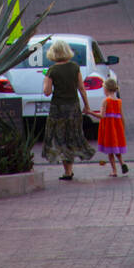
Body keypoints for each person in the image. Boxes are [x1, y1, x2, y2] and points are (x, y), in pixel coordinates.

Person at [42, 38, 97, 180]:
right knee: (72, 136)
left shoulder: (52, 70)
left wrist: (45, 79)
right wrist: (87, 106)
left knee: (60, 138)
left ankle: (67, 171)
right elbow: (82, 89)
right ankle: (69, 170)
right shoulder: (74, 67)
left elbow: (47, 92)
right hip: (73, 106)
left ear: (53, 53)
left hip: (58, 108)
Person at [96, 77, 128, 177]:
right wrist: (123, 127)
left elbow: (101, 115)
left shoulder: (106, 101)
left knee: (110, 151)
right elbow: (122, 116)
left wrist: (89, 112)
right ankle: (122, 162)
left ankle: (114, 170)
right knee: (116, 148)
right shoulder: (119, 101)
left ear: (106, 89)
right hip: (117, 127)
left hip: (108, 128)